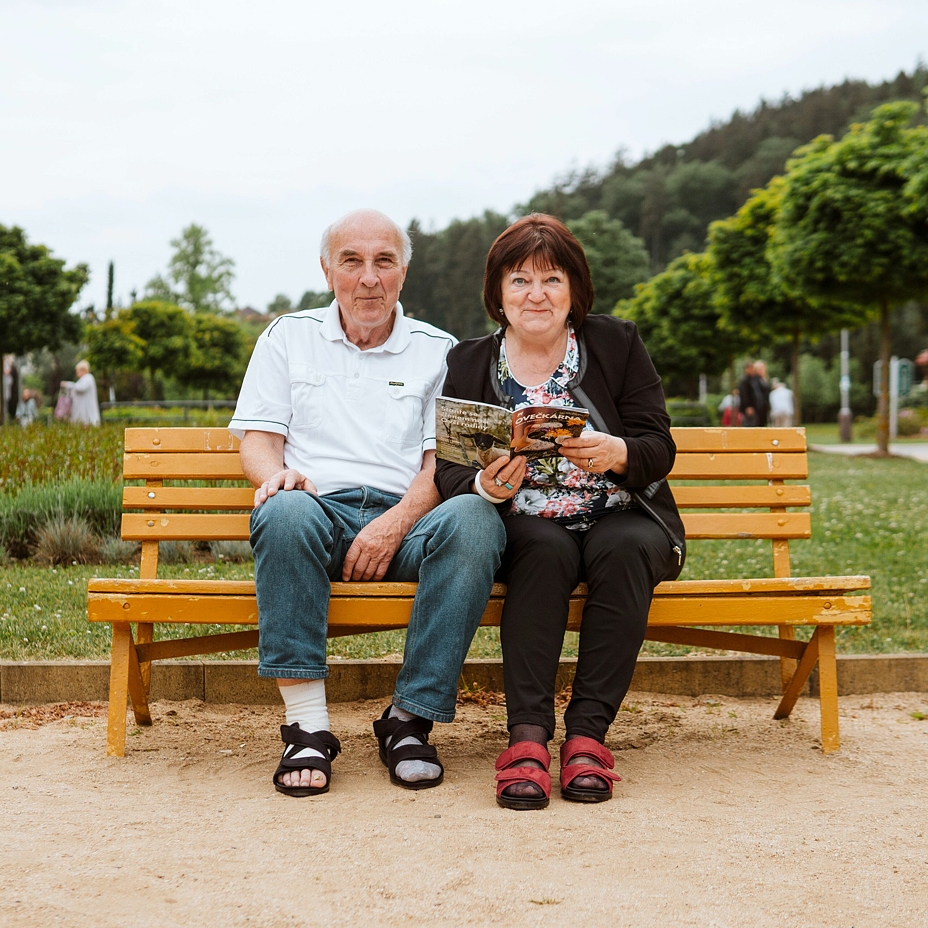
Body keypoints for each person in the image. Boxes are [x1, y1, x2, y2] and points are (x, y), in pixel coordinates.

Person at [228, 209, 506, 798]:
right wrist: (277, 478)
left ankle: (409, 720)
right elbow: (259, 440)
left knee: (476, 519)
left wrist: (392, 525)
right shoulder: (287, 335)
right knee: (281, 509)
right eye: (352, 261)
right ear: (328, 270)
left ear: (404, 271)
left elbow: (443, 464)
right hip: (314, 515)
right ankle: (307, 727)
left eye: (384, 261)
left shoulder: (442, 351)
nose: (368, 278)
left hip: (407, 520)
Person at [434, 214, 685, 809]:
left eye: (551, 279)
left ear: (575, 291)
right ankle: (526, 740)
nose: (535, 295)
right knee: (542, 552)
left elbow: (659, 446)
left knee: (624, 548)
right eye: (519, 280)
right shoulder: (469, 361)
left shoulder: (616, 344)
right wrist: (487, 486)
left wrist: (618, 452)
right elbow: (447, 472)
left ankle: (588, 739)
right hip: (523, 522)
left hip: (620, 514)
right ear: (498, 293)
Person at [60, 360, 101, 425]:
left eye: (78, 370)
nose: (77, 372)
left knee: (87, 424)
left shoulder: (88, 378)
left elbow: (80, 388)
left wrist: (68, 384)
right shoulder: (83, 379)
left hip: (86, 410)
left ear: (83, 370)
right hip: (81, 410)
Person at [752, 360, 771, 427]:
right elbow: (757, 393)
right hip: (759, 406)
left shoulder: (764, 379)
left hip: (764, 406)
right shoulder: (755, 379)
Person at [738, 361, 757, 426]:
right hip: (748, 408)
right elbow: (744, 394)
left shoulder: (751, 379)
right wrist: (748, 406)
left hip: (751, 407)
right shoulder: (745, 380)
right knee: (748, 424)